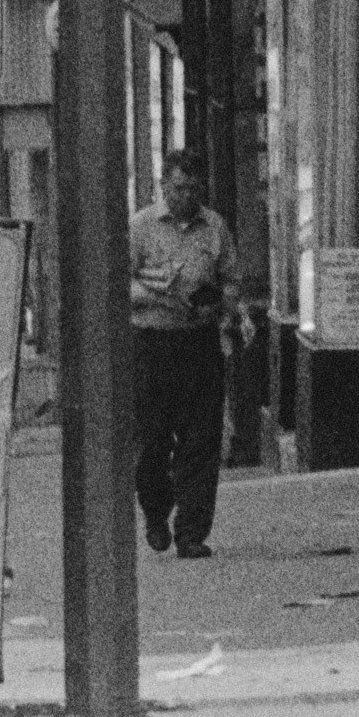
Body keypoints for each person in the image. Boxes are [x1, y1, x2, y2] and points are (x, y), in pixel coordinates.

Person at [127, 152, 238, 560]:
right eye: (178, 188)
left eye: (193, 189)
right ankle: (156, 511)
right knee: (152, 442)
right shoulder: (140, 228)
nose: (186, 196)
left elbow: (231, 280)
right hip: (153, 345)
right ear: (163, 187)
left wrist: (219, 304)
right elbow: (118, 284)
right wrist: (158, 294)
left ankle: (191, 532)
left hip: (199, 344)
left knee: (200, 439)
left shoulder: (215, 228)